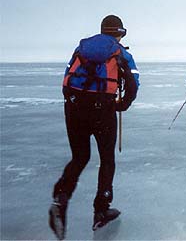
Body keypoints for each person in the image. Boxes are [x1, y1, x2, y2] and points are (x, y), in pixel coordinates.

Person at [49, 15, 139, 239]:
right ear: (119, 33)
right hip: (102, 110)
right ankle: (101, 210)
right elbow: (134, 83)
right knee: (107, 159)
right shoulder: (121, 53)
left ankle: (60, 199)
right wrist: (122, 104)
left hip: (73, 107)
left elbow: (67, 78)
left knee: (80, 157)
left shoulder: (81, 49)